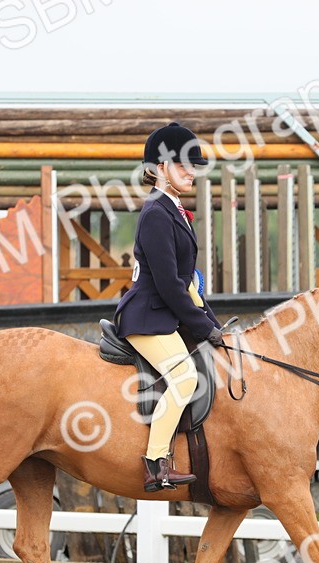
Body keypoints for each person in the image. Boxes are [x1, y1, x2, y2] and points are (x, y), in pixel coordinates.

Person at [114, 122, 224, 492]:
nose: (191, 172)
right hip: (147, 317)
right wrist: (203, 327)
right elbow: (169, 285)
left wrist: (213, 323)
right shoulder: (156, 214)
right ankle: (155, 463)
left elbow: (188, 283)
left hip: (164, 314)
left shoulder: (172, 210)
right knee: (185, 377)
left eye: (193, 166)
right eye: (183, 166)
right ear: (161, 168)